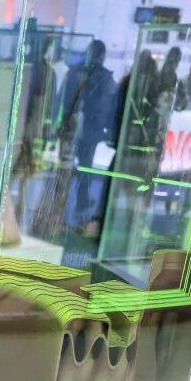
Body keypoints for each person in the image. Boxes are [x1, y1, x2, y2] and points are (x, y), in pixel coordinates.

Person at [57, 39, 117, 237]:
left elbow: (61, 97)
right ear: (102, 55)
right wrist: (106, 130)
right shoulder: (105, 77)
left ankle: (58, 203)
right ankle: (81, 202)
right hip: (90, 130)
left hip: (70, 125)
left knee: (64, 166)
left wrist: (62, 120)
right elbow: (108, 105)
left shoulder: (74, 71)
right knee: (85, 166)